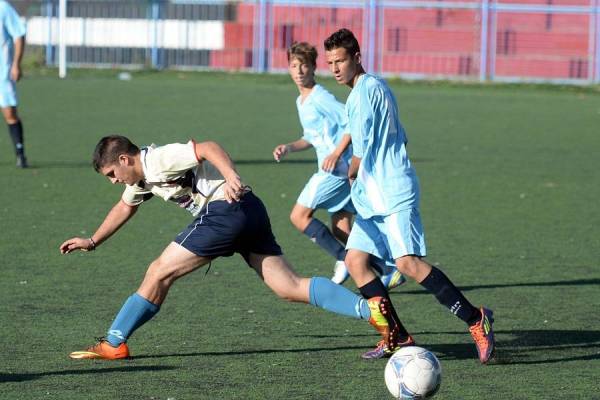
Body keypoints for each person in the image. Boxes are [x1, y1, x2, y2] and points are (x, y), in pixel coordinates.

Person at [59, 135, 393, 360]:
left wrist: (231, 175)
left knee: (159, 272)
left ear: (124, 159)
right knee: (288, 287)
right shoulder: (142, 178)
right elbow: (125, 206)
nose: (113, 180)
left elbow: (207, 147)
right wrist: (93, 240)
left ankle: (114, 342)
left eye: (112, 173)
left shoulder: (157, 159)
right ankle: (371, 311)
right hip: (250, 209)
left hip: (225, 211)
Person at [323, 28, 495, 363]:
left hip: (391, 193)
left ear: (357, 57)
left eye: (340, 60)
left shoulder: (362, 94)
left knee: (408, 264)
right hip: (374, 197)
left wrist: (350, 172)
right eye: (330, 62)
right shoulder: (373, 87)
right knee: (356, 261)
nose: (335, 68)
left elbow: (359, 153)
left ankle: (476, 319)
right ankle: (397, 335)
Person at [273, 41, 404, 289]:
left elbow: (350, 121)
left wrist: (336, 152)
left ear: (313, 68)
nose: (299, 71)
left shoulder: (320, 97)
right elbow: (312, 136)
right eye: (293, 66)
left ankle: (344, 259)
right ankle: (388, 269)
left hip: (334, 170)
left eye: (304, 65)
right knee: (341, 229)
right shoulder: (302, 101)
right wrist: (289, 147)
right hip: (337, 169)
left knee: (298, 216)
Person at [0, 0, 27, 168]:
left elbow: (19, 35)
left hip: (2, 73)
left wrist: (16, 64)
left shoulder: (3, 7)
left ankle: (20, 153)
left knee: (9, 113)